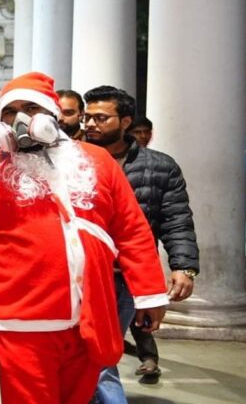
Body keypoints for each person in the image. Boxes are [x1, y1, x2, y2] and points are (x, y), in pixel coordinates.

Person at [0, 72, 169, 403]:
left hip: (91, 314)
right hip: (20, 322)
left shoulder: (98, 161)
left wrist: (149, 294)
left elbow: (132, 230)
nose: (20, 118)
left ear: (53, 114)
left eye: (31, 108)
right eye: (10, 112)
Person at [84, 85, 199, 395]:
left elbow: (176, 220)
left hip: (123, 277)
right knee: (87, 356)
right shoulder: (72, 160)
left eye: (101, 118)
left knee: (100, 356)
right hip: (79, 275)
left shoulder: (159, 166)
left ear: (125, 122)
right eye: (87, 117)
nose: (91, 124)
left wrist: (184, 266)